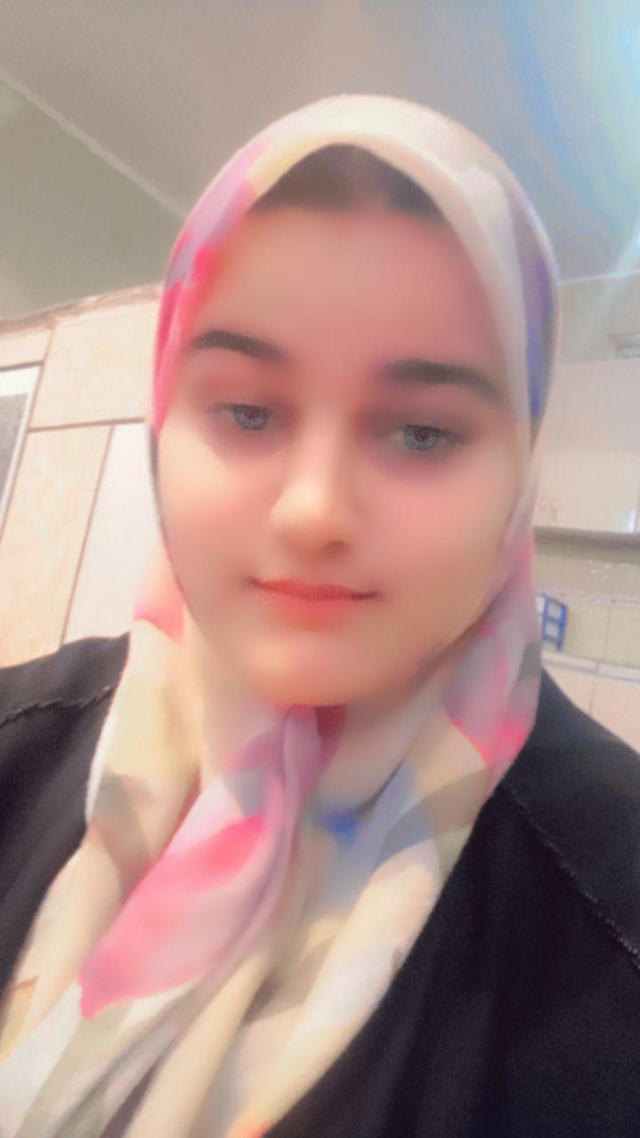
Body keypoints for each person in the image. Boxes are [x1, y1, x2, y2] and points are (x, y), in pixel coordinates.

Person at [0, 94, 639, 1138]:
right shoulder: (16, 751)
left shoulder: (609, 915)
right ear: (164, 422)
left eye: (422, 433)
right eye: (247, 411)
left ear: (521, 471)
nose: (313, 511)